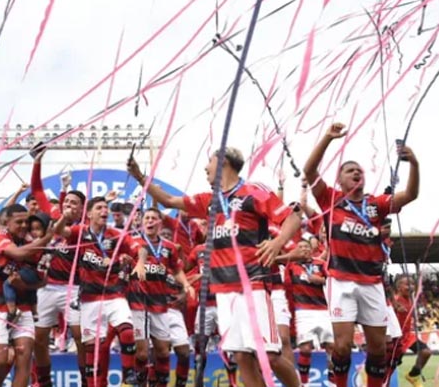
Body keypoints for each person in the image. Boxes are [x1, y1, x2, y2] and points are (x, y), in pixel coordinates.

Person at [128, 147, 302, 387]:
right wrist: (139, 176)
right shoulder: (208, 201)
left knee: (269, 354)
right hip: (225, 290)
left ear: (223, 164)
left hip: (252, 283)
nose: (205, 168)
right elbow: (168, 200)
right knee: (241, 355)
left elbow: (293, 216)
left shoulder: (253, 191)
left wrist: (277, 242)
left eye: (209, 162)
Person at [303, 122, 419, 387]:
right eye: (349, 170)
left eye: (359, 170)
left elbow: (411, 194)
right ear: (340, 180)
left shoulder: (376, 206)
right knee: (342, 347)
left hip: (372, 283)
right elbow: (309, 171)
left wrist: (414, 164)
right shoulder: (330, 200)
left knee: (379, 351)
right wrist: (328, 138)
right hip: (341, 281)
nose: (356, 173)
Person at [54, 196, 141, 387]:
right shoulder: (80, 232)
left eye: (106, 208)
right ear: (90, 213)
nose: (105, 211)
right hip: (89, 299)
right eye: (100, 207)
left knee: (127, 332)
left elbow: (138, 247)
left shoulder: (115, 234)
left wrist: (139, 262)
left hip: (114, 294)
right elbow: (58, 231)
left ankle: (129, 375)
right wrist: (64, 216)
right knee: (93, 352)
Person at [30, 149, 88, 387]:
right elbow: (37, 191)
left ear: (83, 209)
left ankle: (87, 380)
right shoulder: (56, 215)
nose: (70, 207)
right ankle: (44, 383)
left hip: (74, 289)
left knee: (80, 336)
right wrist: (37, 162)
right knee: (40, 339)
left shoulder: (85, 228)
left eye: (75, 204)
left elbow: (63, 232)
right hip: (47, 288)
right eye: (68, 202)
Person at [0, 204, 53, 387]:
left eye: (26, 222)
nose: (23, 225)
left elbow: (43, 281)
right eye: (19, 222)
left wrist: (24, 285)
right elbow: (17, 254)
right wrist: (47, 238)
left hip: (24, 308)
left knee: (25, 358)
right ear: (6, 222)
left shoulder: (31, 240)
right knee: (1, 360)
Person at [131, 208, 194, 387]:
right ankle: (140, 384)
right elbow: (123, 259)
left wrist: (186, 284)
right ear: (142, 223)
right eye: (147, 218)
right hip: (139, 303)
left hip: (161, 305)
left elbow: (177, 269)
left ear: (160, 223)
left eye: (154, 218)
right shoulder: (133, 243)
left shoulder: (169, 247)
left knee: (163, 353)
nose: (150, 221)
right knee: (142, 354)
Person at [285, 239, 334, 385]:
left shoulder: (320, 264)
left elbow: (332, 280)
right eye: (300, 247)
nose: (303, 249)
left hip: (323, 310)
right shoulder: (291, 266)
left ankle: (333, 383)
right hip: (302, 311)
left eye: (306, 247)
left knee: (331, 347)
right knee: (305, 349)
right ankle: (304, 383)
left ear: (311, 250)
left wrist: (320, 280)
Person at [3, 212, 50, 322]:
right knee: (30, 290)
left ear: (46, 231)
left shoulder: (38, 242)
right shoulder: (37, 241)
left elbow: (26, 256)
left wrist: (21, 254)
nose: (34, 232)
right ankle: (34, 312)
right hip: (37, 273)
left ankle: (12, 311)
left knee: (8, 283)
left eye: (38, 229)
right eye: (32, 229)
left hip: (33, 271)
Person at [391, 275, 431, 387]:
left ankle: (413, 375)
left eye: (412, 284)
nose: (411, 287)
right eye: (407, 284)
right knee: (391, 367)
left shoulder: (410, 299)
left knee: (426, 352)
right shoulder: (395, 301)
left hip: (408, 337)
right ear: (399, 287)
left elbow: (418, 290)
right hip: (396, 340)